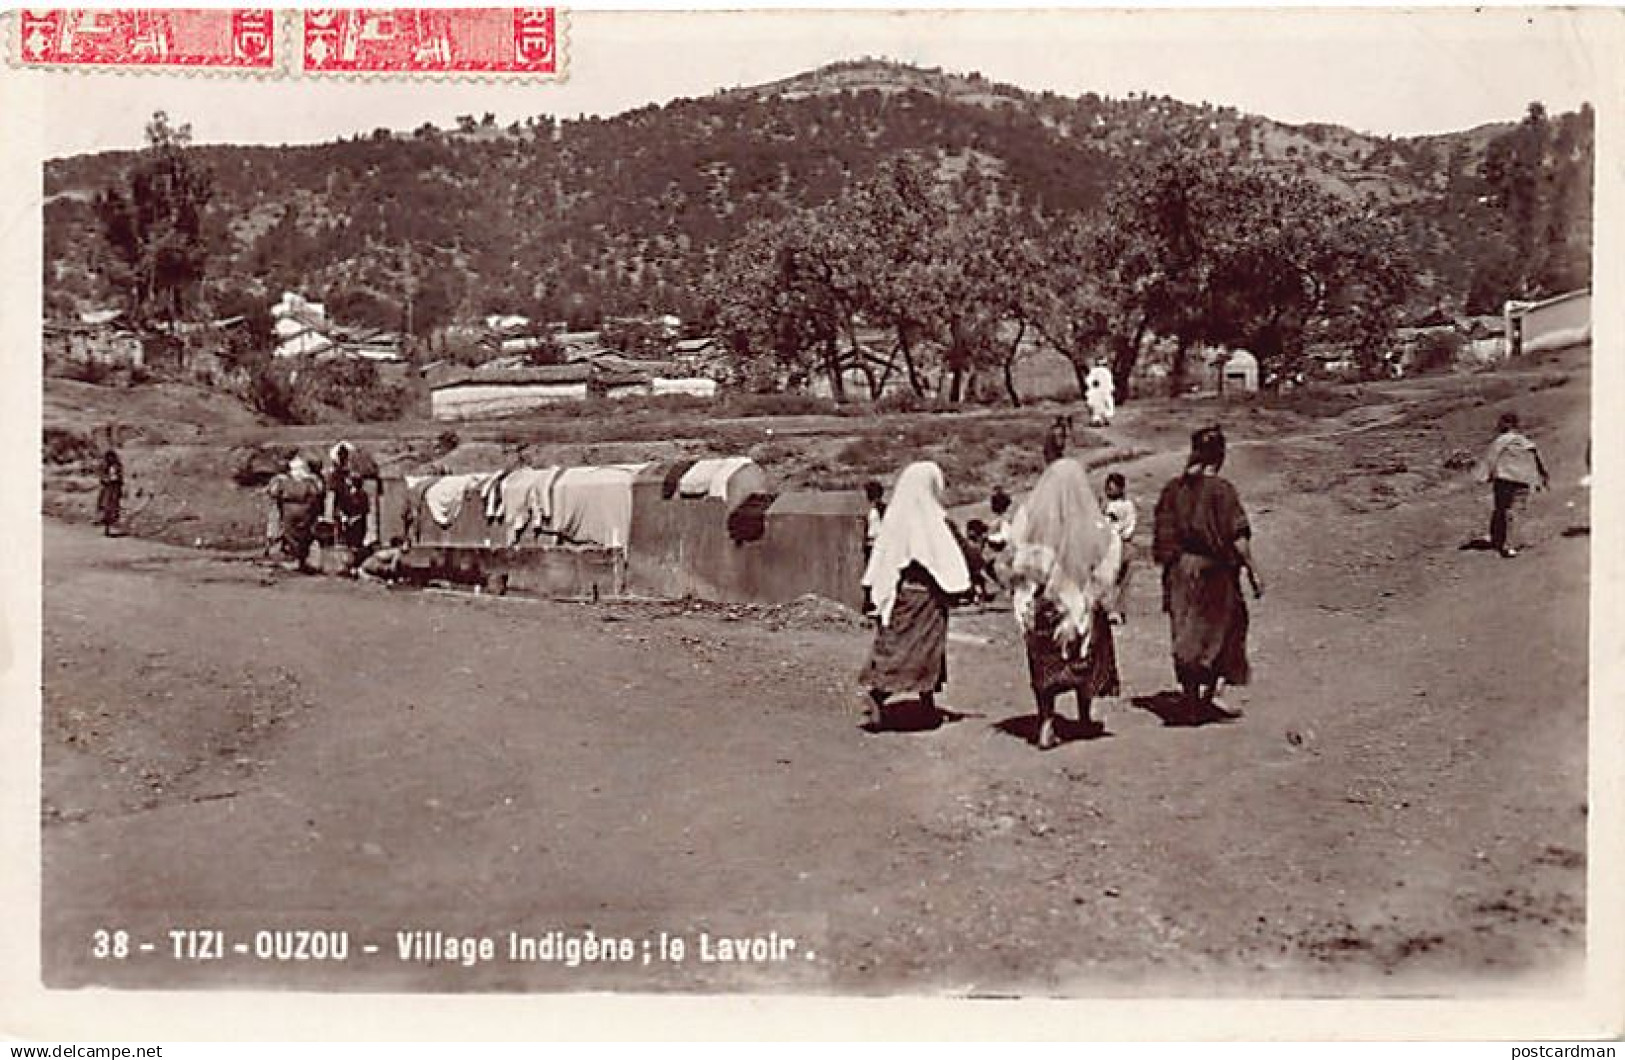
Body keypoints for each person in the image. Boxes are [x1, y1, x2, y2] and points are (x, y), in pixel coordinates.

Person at [1007, 458, 1122, 750]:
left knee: (1044, 663)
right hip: (1078, 603)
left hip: (1043, 603)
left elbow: (1016, 554)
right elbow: (1108, 556)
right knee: (1084, 657)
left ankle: (1045, 723)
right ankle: (1084, 716)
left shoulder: (1031, 517)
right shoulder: (1091, 520)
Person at [1152, 425, 1264, 715]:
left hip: (1180, 571)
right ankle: (1213, 691)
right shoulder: (1222, 491)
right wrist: (1253, 570)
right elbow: (1237, 536)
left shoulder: (1173, 490)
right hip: (1214, 573)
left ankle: (1190, 697)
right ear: (1220, 455)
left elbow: (1162, 533)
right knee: (1227, 627)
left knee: (1186, 631)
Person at [857, 461, 972, 728]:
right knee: (915, 651)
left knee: (916, 650)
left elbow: (881, 561)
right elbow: (935, 558)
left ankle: (925, 702)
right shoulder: (927, 522)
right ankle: (879, 693)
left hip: (906, 597)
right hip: (923, 598)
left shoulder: (896, 519)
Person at [1475, 411, 1550, 558]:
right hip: (1522, 481)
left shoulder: (1500, 441)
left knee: (1501, 510)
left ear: (1504, 425)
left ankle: (1500, 540)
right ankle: (1509, 544)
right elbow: (1537, 459)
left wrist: (1482, 476)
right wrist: (1542, 476)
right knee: (1515, 512)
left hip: (1504, 480)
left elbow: (1490, 459)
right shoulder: (1525, 441)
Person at [266, 456, 326, 573]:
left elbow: (273, 492)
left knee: (297, 536)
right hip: (302, 512)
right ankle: (299, 560)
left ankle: (298, 560)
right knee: (299, 537)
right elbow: (318, 493)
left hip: (295, 512)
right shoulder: (309, 481)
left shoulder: (286, 481)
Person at [1102, 471, 1138, 624]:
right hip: (1109, 545)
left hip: (1122, 544)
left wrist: (1120, 533)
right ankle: (1109, 609)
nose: (1110, 490)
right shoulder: (1107, 506)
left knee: (1123, 580)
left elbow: (1130, 525)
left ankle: (1119, 610)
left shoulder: (1127, 506)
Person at [95, 448, 124, 537]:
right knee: (105, 507)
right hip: (107, 489)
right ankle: (105, 527)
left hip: (114, 488)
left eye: (112, 457)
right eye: (109, 457)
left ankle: (109, 526)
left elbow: (120, 477)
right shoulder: (104, 466)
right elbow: (101, 477)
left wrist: (117, 481)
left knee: (113, 508)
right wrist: (105, 479)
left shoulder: (118, 466)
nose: (110, 458)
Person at [1085, 359, 1116, 427]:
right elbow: (1090, 380)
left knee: (1100, 405)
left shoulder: (1103, 372)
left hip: (1101, 391)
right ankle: (1099, 420)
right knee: (1100, 405)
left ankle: (1101, 420)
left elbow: (1089, 380)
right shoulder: (1102, 371)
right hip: (1099, 391)